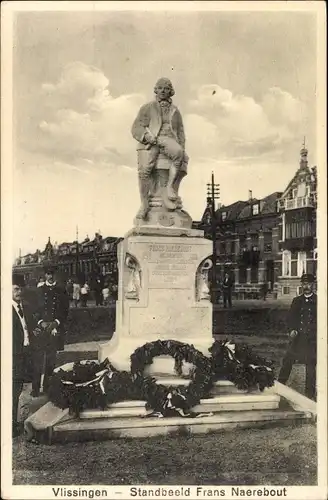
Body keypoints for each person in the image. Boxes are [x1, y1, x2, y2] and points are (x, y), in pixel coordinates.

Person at [131, 77, 188, 219]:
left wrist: (181, 146)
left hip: (168, 140)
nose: (163, 91)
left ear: (171, 91)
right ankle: (144, 204)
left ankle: (169, 188)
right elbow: (136, 127)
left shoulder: (175, 111)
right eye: (160, 88)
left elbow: (180, 131)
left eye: (166, 88)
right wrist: (146, 136)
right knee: (144, 171)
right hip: (150, 141)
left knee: (180, 154)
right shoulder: (147, 108)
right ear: (156, 90)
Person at [278, 273, 317, 400]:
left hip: (311, 340)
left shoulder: (318, 301)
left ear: (313, 285)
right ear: (301, 285)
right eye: (304, 284)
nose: (306, 286)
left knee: (310, 367)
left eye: (309, 284)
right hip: (297, 339)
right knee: (287, 362)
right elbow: (290, 318)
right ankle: (279, 389)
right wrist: (292, 329)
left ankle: (309, 397)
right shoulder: (297, 301)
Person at [32, 265, 69, 396]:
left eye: (52, 273)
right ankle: (35, 389)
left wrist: (56, 323)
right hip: (41, 328)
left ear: (55, 275)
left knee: (51, 359)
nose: (50, 276)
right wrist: (41, 322)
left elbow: (65, 310)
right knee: (38, 358)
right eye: (48, 274)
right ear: (45, 275)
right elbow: (35, 310)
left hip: (54, 329)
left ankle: (47, 387)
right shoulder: (39, 290)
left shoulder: (61, 290)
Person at [12, 273, 36, 437]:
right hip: (13, 356)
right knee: (12, 390)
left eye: (20, 289)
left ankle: (19, 422)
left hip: (27, 354)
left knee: (24, 389)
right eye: (15, 289)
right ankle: (11, 425)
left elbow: (29, 327)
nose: (19, 292)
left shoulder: (25, 307)